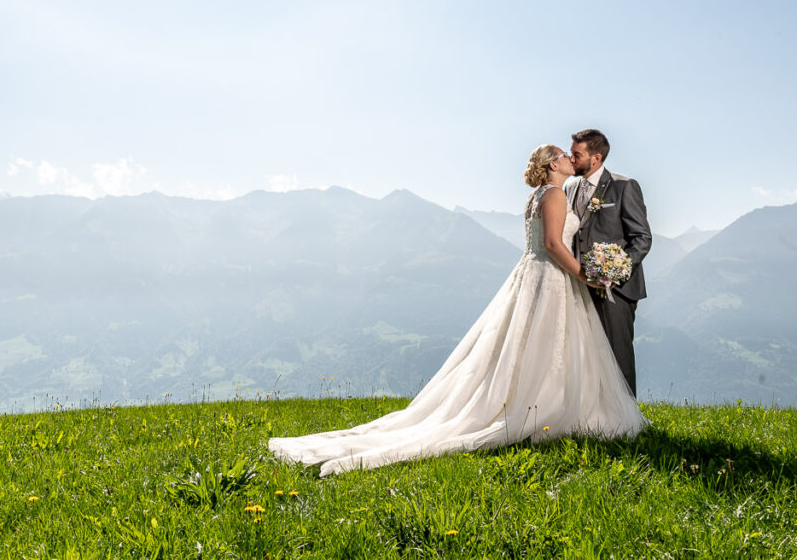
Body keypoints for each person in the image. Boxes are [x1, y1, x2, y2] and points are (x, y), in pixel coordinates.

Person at [268, 144, 646, 476]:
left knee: (530, 344)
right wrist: (586, 275)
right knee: (549, 344)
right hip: (551, 277)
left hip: (533, 276)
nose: (568, 157)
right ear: (551, 165)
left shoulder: (537, 196)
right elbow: (551, 242)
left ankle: (533, 401)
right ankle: (544, 408)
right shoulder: (556, 196)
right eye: (563, 155)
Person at [567, 129, 651, 396]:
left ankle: (626, 420)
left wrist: (616, 271)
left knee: (617, 354)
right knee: (582, 354)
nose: (571, 158)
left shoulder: (624, 186)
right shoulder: (568, 188)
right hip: (577, 283)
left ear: (596, 157)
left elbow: (641, 238)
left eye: (576, 154)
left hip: (615, 288)